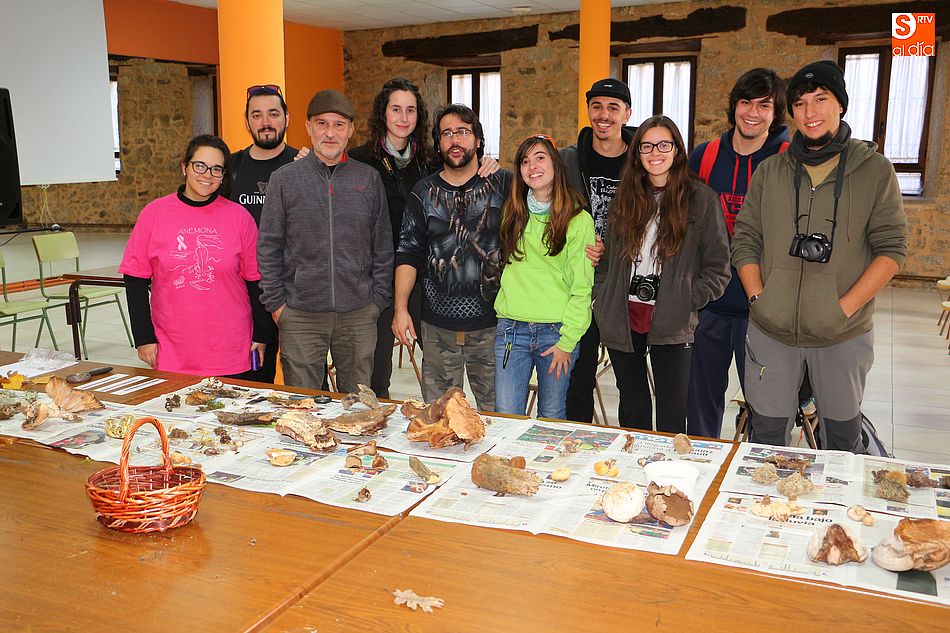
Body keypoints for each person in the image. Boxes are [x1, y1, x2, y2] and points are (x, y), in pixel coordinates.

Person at [732, 60, 908, 453]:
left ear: (840, 105)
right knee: (766, 441)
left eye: (820, 100)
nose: (810, 113)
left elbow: (892, 249)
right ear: (791, 111)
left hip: (842, 337)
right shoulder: (770, 171)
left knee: (842, 444)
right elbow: (745, 238)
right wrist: (759, 297)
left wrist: (843, 308)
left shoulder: (875, 171)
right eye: (799, 103)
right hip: (772, 334)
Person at [593, 116, 730, 432]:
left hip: (672, 317)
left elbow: (719, 268)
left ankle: (666, 476)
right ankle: (633, 474)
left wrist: (685, 298)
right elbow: (607, 261)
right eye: (647, 145)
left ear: (677, 150)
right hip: (623, 316)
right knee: (633, 406)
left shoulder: (701, 200)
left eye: (664, 144)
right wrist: (603, 297)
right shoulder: (624, 199)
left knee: (672, 412)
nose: (655, 152)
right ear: (637, 153)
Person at [257, 89, 393, 393]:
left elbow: (382, 245)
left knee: (358, 403)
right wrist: (277, 304)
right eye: (322, 124)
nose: (330, 133)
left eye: (339, 124)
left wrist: (377, 300)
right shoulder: (284, 180)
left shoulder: (368, 179)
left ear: (351, 130)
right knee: (302, 405)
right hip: (300, 313)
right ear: (308, 127)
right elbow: (268, 246)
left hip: (358, 313)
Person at [685, 68, 789, 439]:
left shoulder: (788, 160)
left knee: (767, 412)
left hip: (761, 313)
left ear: (777, 112)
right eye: (746, 102)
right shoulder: (704, 156)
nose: (753, 112)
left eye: (765, 105)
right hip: (707, 309)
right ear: (734, 106)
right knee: (700, 410)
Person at [392, 104, 511, 411]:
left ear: (478, 140)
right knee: (439, 417)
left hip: (494, 325)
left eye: (463, 132)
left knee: (499, 415)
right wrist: (401, 308)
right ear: (438, 143)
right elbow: (408, 252)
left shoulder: (504, 185)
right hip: (437, 330)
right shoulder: (423, 192)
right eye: (447, 133)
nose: (455, 140)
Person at [119, 134, 269, 377]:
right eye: (200, 165)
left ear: (223, 177)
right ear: (184, 167)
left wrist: (263, 334)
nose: (207, 175)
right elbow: (135, 280)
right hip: (173, 350)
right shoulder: (154, 214)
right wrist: (144, 337)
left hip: (231, 349)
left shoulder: (240, 218)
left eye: (216, 169)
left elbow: (256, 281)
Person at [494, 135, 595, 420]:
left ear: (555, 164)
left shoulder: (578, 219)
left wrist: (568, 341)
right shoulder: (512, 212)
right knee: (506, 416)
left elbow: (582, 287)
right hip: (512, 330)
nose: (532, 166)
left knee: (551, 415)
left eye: (540, 157)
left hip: (557, 332)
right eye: (525, 161)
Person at [560, 78, 632, 422]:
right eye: (597, 106)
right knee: (579, 379)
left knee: (631, 384)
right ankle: (579, 449)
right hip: (580, 286)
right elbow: (537, 201)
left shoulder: (643, 162)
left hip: (625, 285)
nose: (604, 115)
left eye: (613, 108)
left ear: (627, 113)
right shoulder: (567, 162)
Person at [227, 84, 298, 383]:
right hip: (247, 295)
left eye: (273, 113)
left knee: (304, 380)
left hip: (297, 291)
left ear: (287, 118)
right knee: (256, 380)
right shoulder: (230, 167)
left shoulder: (304, 164)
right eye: (257, 114)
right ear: (247, 121)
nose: (265, 121)